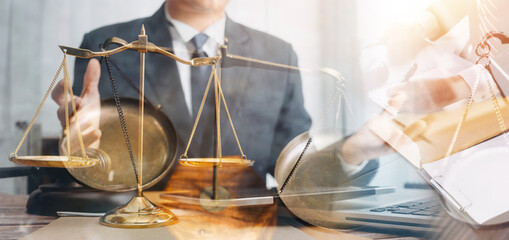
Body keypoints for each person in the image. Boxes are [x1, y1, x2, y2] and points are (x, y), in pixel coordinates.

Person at [51, 0, 379, 189]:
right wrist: (81, 146)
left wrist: (351, 152)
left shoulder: (277, 55)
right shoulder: (106, 47)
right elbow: (92, 165)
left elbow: (295, 169)